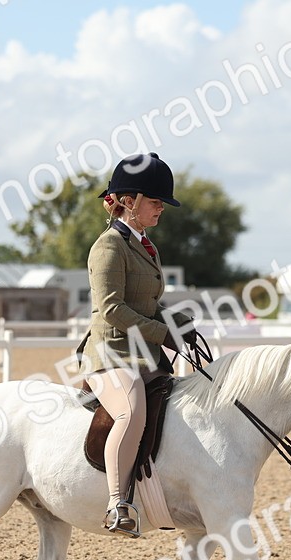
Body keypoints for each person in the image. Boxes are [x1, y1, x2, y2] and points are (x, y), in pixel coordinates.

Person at [81, 152, 198, 535]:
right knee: (131, 410)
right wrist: (164, 334)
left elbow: (147, 303)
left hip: (145, 355)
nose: (160, 208)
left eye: (161, 202)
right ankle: (118, 504)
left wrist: (179, 323)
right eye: (154, 201)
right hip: (110, 355)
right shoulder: (109, 247)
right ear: (128, 201)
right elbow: (113, 309)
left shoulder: (146, 246)